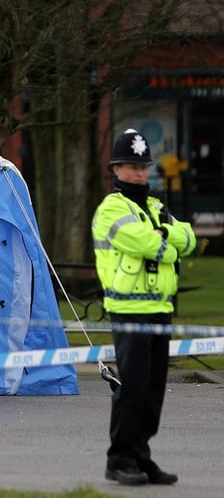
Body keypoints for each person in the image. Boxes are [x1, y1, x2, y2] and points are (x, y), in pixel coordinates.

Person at [92, 128, 196, 486]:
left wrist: (167, 237)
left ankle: (140, 455)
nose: (138, 173)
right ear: (116, 169)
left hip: (160, 310)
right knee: (132, 387)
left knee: (153, 391)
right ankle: (118, 459)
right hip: (130, 311)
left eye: (142, 167)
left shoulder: (155, 206)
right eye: (130, 167)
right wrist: (168, 239)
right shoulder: (110, 209)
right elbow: (151, 246)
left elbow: (191, 239)